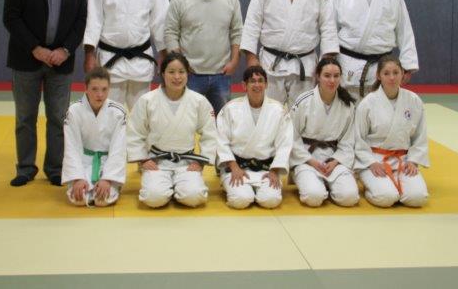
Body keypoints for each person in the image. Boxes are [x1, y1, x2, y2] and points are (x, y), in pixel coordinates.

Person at [3, 0, 87, 187]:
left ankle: (55, 168)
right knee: (25, 117)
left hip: (61, 61)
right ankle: (25, 168)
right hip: (26, 58)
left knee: (59, 118)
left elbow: (81, 20)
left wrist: (66, 50)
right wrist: (35, 48)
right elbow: (11, 17)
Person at [241, 0, 339, 107]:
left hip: (305, 66)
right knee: (269, 110)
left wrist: (326, 62)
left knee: (303, 111)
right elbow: (252, 25)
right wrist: (251, 58)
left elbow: (328, 28)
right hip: (270, 64)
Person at [83, 0, 169, 111]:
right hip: (110, 60)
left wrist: (164, 54)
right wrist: (89, 54)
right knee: (110, 116)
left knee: (142, 117)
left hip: (141, 61)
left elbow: (160, 21)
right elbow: (94, 19)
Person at [126, 52, 218, 208]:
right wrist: (143, 159)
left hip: (186, 162)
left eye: (181, 72)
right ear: (163, 74)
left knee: (194, 197)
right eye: (171, 72)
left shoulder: (199, 101)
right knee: (153, 198)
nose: (177, 77)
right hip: (157, 161)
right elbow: (134, 131)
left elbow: (210, 133)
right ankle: (167, 188)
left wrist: (201, 161)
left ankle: (177, 188)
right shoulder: (148, 100)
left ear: (188, 74)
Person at [330, 0, 418, 101]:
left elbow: (404, 30)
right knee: (347, 111)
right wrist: (328, 62)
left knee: (380, 111)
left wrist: (408, 64)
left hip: (382, 66)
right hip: (347, 64)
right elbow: (329, 30)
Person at [165, 0, 243, 113]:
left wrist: (234, 61)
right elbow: (170, 33)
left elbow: (237, 32)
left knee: (223, 120)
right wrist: (181, 65)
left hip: (221, 75)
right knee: (187, 119)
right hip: (190, 74)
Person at [354, 55, 429, 208]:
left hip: (403, 160)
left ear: (403, 74)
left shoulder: (413, 100)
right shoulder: (368, 103)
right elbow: (358, 138)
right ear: (378, 76)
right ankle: (371, 186)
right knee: (386, 198)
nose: (392, 77)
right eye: (386, 73)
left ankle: (394, 186)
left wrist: (413, 160)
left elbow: (420, 136)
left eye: (396, 72)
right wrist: (371, 163)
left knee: (418, 198)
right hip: (375, 161)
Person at [216, 66, 292, 209]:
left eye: (260, 81)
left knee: (270, 200)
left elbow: (285, 144)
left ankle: (261, 187)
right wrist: (234, 167)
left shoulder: (279, 110)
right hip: (237, 168)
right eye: (252, 81)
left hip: (267, 170)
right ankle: (239, 188)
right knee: (241, 200)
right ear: (244, 85)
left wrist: (275, 171)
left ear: (266, 84)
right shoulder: (230, 109)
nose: (257, 85)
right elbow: (221, 141)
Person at [289, 57, 358, 207]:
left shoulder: (348, 105)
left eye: (336, 76)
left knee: (350, 197)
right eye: (327, 76)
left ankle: (327, 184)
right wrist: (311, 161)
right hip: (306, 158)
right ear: (318, 76)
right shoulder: (304, 101)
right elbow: (291, 137)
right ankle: (316, 184)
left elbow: (348, 141)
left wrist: (336, 161)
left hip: (333, 159)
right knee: (314, 197)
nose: (332, 80)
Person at [62, 67, 126, 207]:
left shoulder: (118, 112)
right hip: (83, 162)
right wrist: (78, 177)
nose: (100, 94)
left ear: (109, 89)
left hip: (107, 162)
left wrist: (108, 178)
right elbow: (71, 147)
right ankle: (82, 182)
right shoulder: (74, 111)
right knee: (79, 199)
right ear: (86, 88)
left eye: (104, 89)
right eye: (94, 89)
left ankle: (114, 184)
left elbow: (118, 149)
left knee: (102, 200)